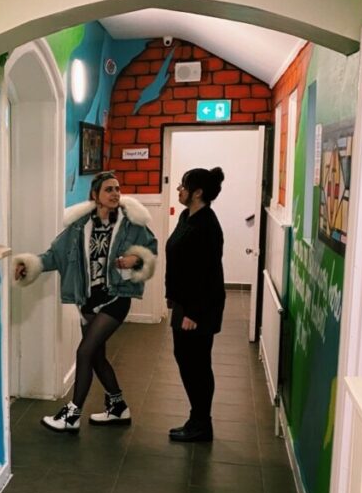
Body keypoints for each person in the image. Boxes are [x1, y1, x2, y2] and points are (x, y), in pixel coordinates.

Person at [13, 171, 157, 432]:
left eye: (117, 188)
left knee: (84, 351)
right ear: (95, 195)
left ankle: (72, 413)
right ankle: (117, 407)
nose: (115, 194)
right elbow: (54, 256)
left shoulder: (131, 224)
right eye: (109, 190)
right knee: (97, 356)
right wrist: (28, 266)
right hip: (88, 300)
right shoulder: (79, 226)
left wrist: (136, 259)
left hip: (117, 296)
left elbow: (151, 249)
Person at [165, 166, 226, 442]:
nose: (179, 190)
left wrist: (193, 313)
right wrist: (173, 296)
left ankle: (202, 423)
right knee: (185, 359)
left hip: (198, 308)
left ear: (198, 192)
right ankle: (197, 418)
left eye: (183, 186)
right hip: (184, 303)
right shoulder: (187, 216)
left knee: (197, 364)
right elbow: (179, 261)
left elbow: (206, 273)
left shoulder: (207, 225)